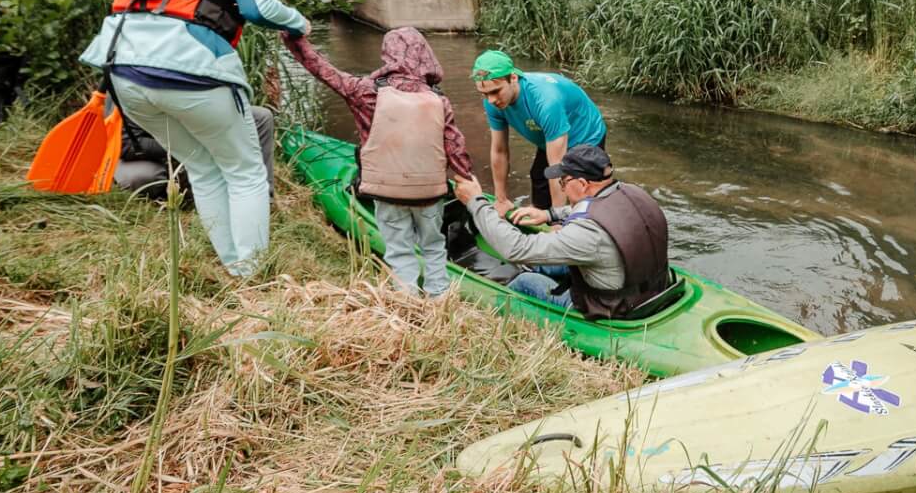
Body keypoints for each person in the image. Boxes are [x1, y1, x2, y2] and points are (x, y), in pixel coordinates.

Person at [78, 0, 309, 277]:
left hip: (126, 72)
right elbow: (258, 6)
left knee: (202, 166)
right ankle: (253, 275)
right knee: (245, 171)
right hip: (191, 70)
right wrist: (299, 22)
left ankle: (234, 265)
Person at [284, 26, 473, 297]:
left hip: (387, 191)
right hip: (429, 193)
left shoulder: (365, 91)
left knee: (399, 250)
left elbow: (322, 70)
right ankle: (439, 300)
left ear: (388, 54)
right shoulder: (439, 99)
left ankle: (408, 302)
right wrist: (468, 179)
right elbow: (456, 148)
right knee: (433, 246)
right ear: (424, 55)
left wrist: (295, 41)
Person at [449, 144, 671, 316]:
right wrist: (549, 215)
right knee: (544, 263)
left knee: (526, 281)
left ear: (583, 184)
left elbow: (515, 248)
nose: (562, 188)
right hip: (651, 289)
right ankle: (536, 269)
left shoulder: (587, 233)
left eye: (564, 182)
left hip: (615, 307)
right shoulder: (632, 193)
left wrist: (476, 202)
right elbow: (598, 208)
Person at [470, 50, 607, 213]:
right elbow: (499, 151)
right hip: (549, 135)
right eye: (484, 94)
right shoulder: (492, 102)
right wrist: (501, 200)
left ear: (513, 78)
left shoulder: (545, 101)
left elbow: (557, 167)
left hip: (585, 133)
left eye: (495, 91)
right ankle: (541, 213)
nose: (491, 100)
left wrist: (557, 219)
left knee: (578, 188)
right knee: (539, 177)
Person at [113, 104, 277, 202]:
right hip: (139, 156)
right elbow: (127, 146)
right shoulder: (130, 76)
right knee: (143, 178)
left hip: (189, 134)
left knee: (261, 117)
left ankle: (262, 198)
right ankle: (173, 193)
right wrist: (186, 147)